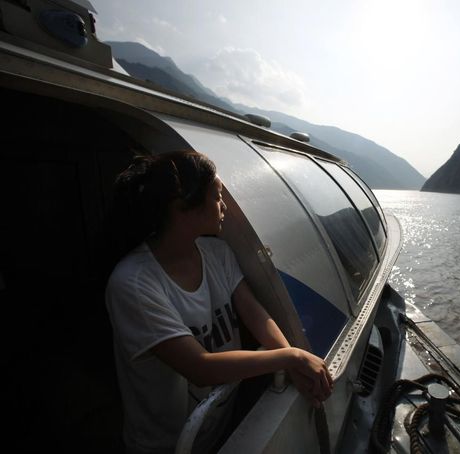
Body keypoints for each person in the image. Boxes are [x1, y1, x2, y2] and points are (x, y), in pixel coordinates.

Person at [105, 150, 333, 454]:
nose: (224, 205)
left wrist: (291, 364)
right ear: (183, 208)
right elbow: (200, 367)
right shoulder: (133, 284)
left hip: (218, 426)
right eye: (217, 196)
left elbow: (255, 313)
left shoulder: (217, 253)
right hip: (166, 445)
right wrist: (291, 357)